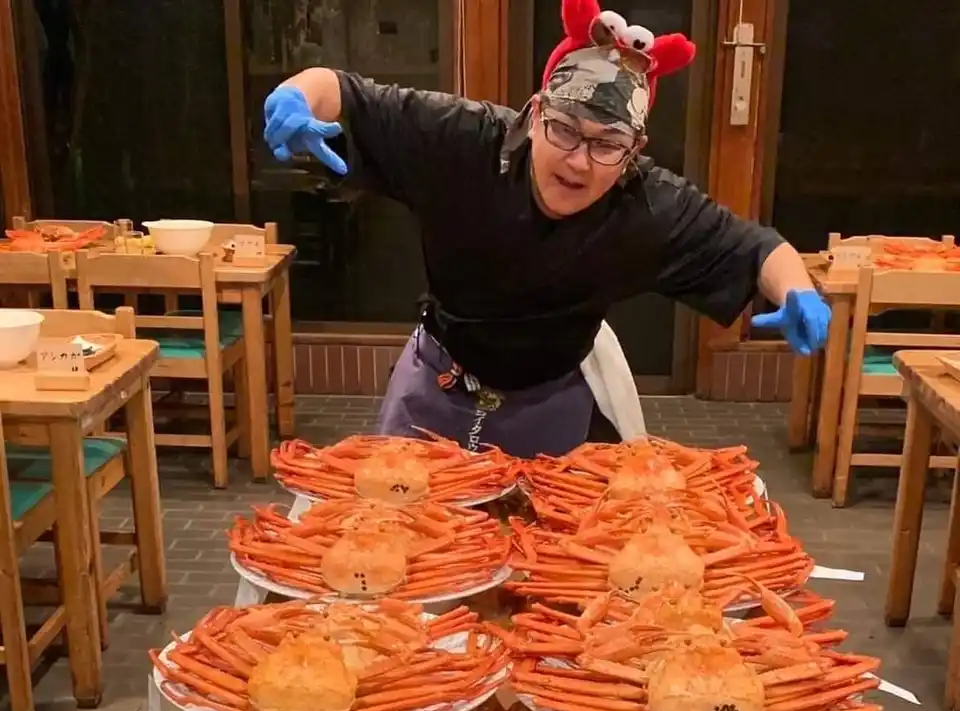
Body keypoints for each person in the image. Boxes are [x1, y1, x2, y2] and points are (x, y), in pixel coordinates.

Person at [263, 0, 830, 458]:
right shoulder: (462, 142)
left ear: (635, 151)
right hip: (439, 376)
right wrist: (297, 95)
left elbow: (755, 247)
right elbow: (344, 90)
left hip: (552, 394)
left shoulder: (648, 204)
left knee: (547, 549)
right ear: (534, 115)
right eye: (564, 129)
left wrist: (797, 289)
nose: (579, 161)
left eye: (607, 144)